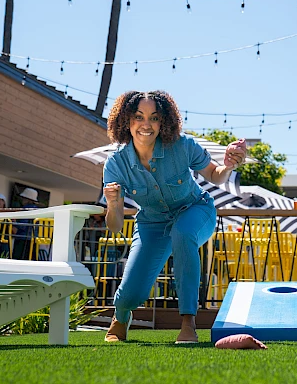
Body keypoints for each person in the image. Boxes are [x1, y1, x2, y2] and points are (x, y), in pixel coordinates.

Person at [102, 90, 247, 343]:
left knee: (182, 232)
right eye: (138, 117)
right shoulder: (115, 164)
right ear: (126, 120)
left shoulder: (182, 145)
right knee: (130, 294)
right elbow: (114, 227)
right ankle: (121, 316)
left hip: (195, 210)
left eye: (154, 118)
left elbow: (215, 176)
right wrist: (114, 204)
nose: (146, 125)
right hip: (151, 223)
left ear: (164, 122)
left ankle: (188, 322)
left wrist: (229, 165)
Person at [12, 187, 39, 260]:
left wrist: (13, 222)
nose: (22, 199)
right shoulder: (37, 210)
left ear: (28, 199)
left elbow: (23, 226)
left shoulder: (26, 209)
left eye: (24, 198)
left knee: (16, 260)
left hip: (23, 240)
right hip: (34, 241)